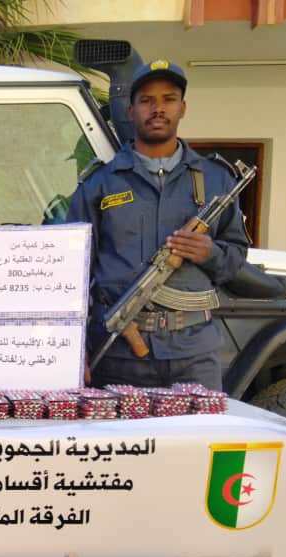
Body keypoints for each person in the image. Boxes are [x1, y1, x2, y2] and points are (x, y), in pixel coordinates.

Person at [67, 60, 250, 391]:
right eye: (147, 100)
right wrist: (72, 347)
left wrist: (209, 253)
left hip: (194, 352)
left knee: (202, 428)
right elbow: (71, 272)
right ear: (131, 110)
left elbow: (236, 258)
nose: (158, 109)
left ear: (183, 108)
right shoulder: (100, 184)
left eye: (168, 99)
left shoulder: (217, 179)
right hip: (118, 353)